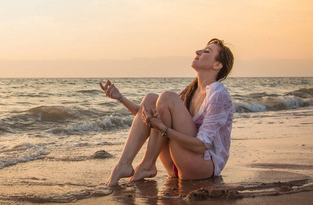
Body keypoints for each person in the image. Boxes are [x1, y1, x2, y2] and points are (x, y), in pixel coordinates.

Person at [99, 38, 234, 186]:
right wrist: (121, 98)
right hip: (176, 165)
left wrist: (163, 129)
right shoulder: (189, 91)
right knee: (151, 99)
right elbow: (145, 116)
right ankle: (123, 165)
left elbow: (202, 146)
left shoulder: (217, 94)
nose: (198, 52)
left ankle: (147, 164)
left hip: (201, 166)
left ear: (217, 65)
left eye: (207, 51)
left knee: (167, 97)